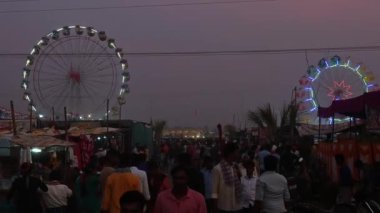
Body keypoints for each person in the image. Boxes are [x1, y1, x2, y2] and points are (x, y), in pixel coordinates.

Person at [212, 142, 241, 213]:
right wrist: (215, 208)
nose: (238, 155)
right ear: (230, 153)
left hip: (236, 206)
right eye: (236, 152)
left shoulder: (235, 167)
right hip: (223, 207)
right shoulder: (217, 169)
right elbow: (214, 192)